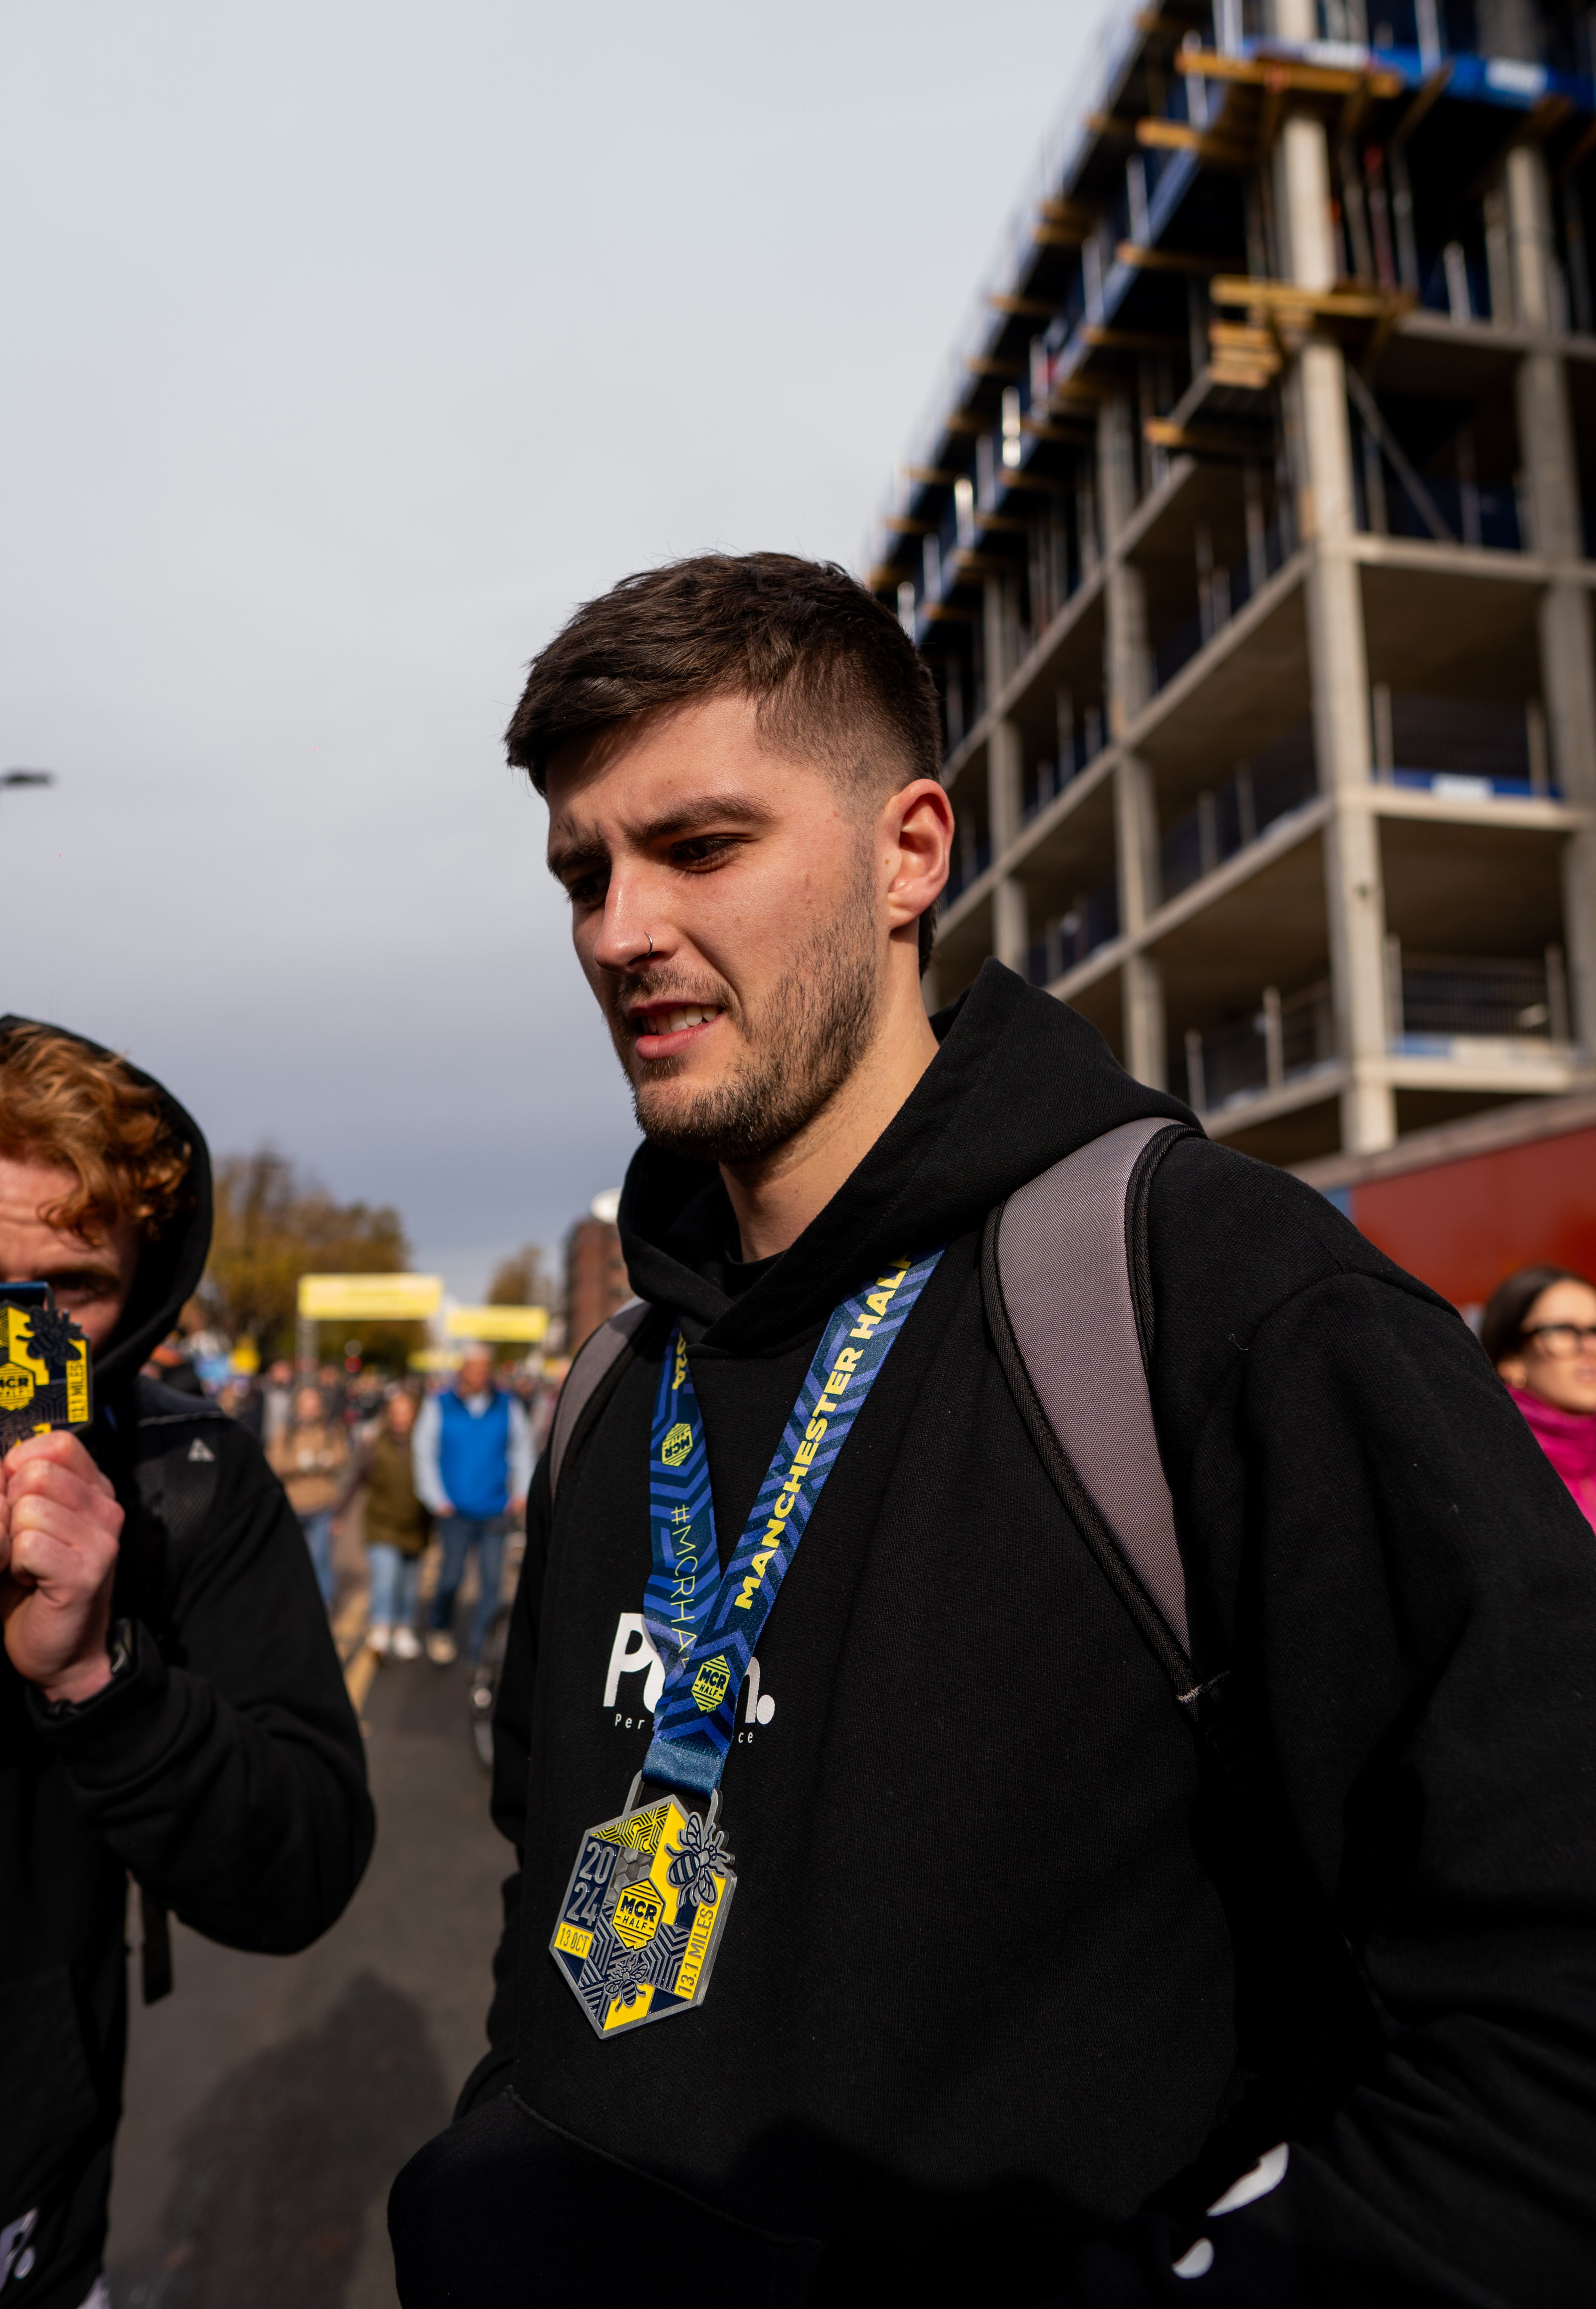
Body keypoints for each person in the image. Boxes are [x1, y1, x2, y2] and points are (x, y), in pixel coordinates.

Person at [388, 553, 1596, 2309]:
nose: (618, 929)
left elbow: (1548, 2014)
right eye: (586, 870)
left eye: (702, 847)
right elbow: (545, 1883)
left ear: (912, 853)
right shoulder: (609, 1386)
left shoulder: (1211, 1299)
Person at [0, 1016, 373, 2309]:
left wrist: (98, 1679)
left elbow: (305, 1863)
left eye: (65, 1290)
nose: (13, 1333)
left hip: (31, 2194)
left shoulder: (186, 1477)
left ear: (142, 1293)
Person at [412, 1345, 532, 1667]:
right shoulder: (439, 1403)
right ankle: (440, 1626)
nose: (480, 1374)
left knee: (492, 1584)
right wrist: (437, 1499)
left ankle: (480, 1651)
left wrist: (520, 1493)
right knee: (450, 1578)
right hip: (455, 1512)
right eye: (474, 1368)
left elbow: (521, 1449)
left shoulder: (507, 1404)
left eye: (485, 1367)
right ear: (462, 1369)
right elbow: (424, 1451)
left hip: (495, 1509)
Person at [1483, 1262, 1596, 1533]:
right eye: (1562, 1330)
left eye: (1595, 1331)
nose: (1591, 1348)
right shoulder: (1490, 1468)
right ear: (1511, 1359)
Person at [356, 1387, 431, 1659]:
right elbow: (356, 1478)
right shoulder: (375, 1443)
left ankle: (404, 1628)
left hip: (416, 1526)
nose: (401, 1418)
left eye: (406, 1412)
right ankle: (381, 1626)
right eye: (396, 1412)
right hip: (382, 1524)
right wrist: (338, 1514)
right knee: (386, 1579)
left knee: (410, 1585)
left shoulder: (426, 1444)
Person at [267, 1382, 352, 1611]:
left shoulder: (331, 1430)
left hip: (323, 1504)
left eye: (314, 1405)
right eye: (306, 1405)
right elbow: (274, 1463)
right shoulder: (286, 1433)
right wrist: (300, 1463)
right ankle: (292, 1600)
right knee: (292, 1556)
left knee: (322, 1557)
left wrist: (324, 1460)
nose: (310, 1410)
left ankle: (324, 1603)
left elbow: (343, 1458)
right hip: (294, 1504)